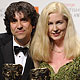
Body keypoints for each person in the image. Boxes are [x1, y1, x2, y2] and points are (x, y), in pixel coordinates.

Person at [30, 2, 80, 80]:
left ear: (67, 23)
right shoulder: (39, 52)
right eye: (49, 24)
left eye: (59, 22)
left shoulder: (78, 51)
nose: (55, 29)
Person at [0, 1, 39, 80]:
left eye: (24, 20)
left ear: (33, 24)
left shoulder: (41, 47)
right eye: (14, 21)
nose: (19, 26)